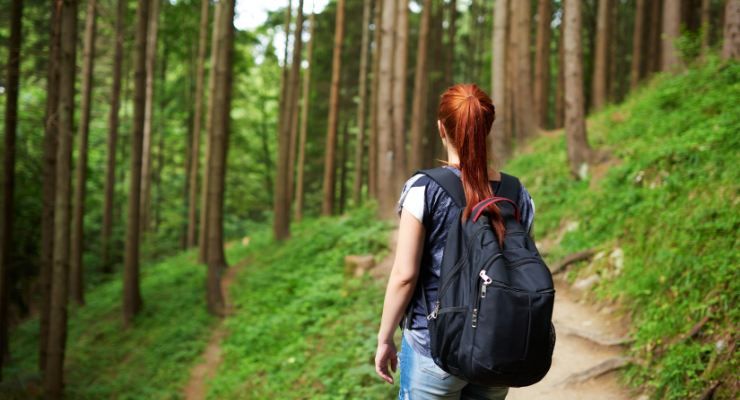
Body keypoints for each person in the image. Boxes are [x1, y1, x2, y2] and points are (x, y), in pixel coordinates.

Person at [374, 84, 536, 399]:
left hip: (433, 346)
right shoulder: (518, 193)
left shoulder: (424, 189)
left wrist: (384, 338)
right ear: (487, 128)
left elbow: (405, 276)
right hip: (496, 347)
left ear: (440, 129)